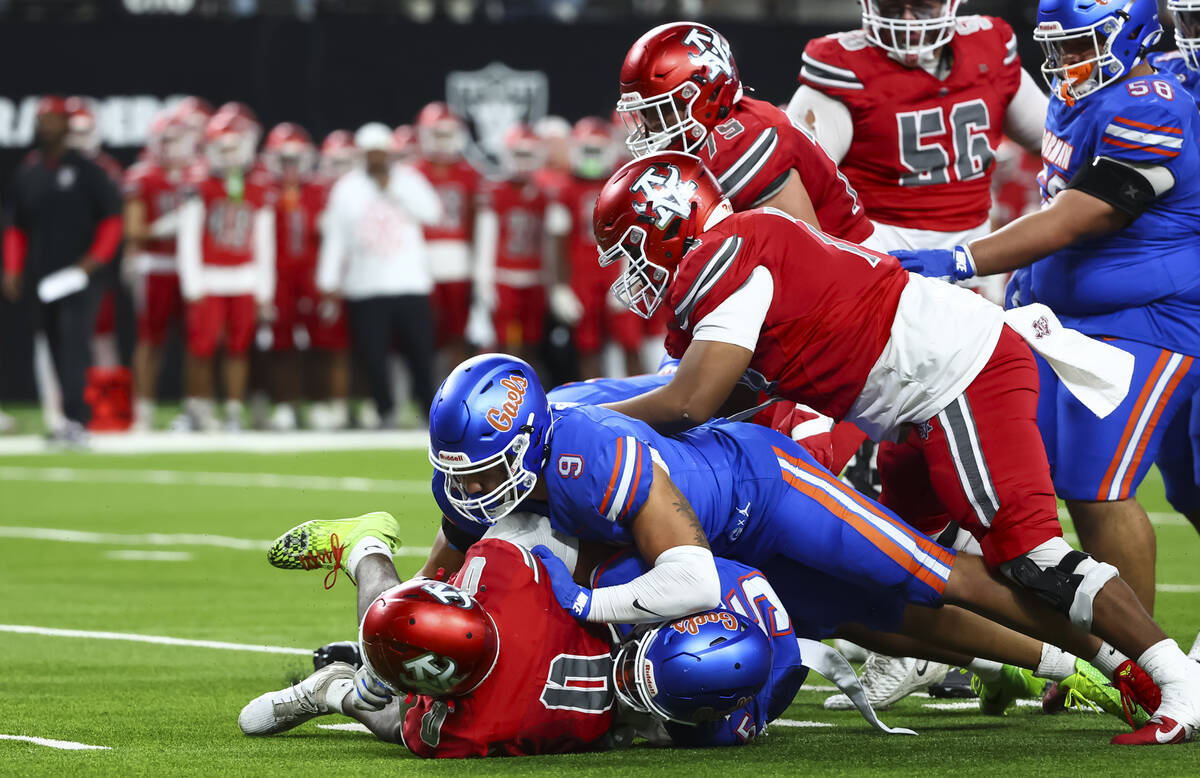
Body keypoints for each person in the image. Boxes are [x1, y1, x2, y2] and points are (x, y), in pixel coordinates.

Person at [592, 152, 1199, 744]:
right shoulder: (750, 242)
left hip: (958, 376)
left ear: (667, 224)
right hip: (920, 402)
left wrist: (586, 419)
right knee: (905, 568)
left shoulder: (729, 255)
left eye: (628, 250)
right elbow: (716, 398)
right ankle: (1075, 666)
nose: (626, 273)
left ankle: (1177, 681)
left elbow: (689, 403)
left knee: (1031, 555)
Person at [895, 0, 1200, 640]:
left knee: (1099, 487)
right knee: (1036, 479)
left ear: (1132, 33)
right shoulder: (1088, 94)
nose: (1066, 61)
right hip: (1066, 319)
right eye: (1057, 46)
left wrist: (959, 257)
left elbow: (1085, 213)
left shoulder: (1152, 100)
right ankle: (1087, 644)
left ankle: (1138, 658)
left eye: (1082, 44)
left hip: (1146, 319)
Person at [786, 0, 1047, 305]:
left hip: (977, 258)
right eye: (893, 8)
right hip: (882, 258)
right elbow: (790, 188)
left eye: (922, 7)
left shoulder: (988, 51)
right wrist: (833, 265)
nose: (907, 21)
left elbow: (1056, 144)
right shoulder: (843, 70)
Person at [618, 22, 875, 248]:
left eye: (663, 110)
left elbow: (805, 256)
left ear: (706, 95)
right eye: (646, 113)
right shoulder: (719, 133)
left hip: (847, 272)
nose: (652, 126)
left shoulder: (742, 142)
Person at [2, 96, 123, 444]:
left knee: (74, 342)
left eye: (53, 119)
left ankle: (78, 419)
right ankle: (64, 417)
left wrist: (94, 260)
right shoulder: (30, 171)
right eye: (42, 120)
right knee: (53, 344)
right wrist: (12, 268)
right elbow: (16, 226)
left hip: (79, 275)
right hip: (43, 276)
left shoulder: (89, 171)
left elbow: (112, 220)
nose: (46, 126)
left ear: (67, 125)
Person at [317, 122, 442, 428]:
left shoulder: (409, 180)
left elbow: (433, 213)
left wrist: (393, 188)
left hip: (410, 282)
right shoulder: (347, 187)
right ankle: (385, 411)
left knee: (420, 354)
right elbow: (336, 237)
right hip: (366, 286)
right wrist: (328, 280)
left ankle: (429, 413)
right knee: (373, 356)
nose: (375, 160)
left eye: (380, 153)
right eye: (370, 154)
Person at [176, 111, 275, 432]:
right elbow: (188, 237)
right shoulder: (199, 185)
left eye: (236, 147)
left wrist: (264, 290)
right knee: (201, 348)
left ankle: (233, 410)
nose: (230, 155)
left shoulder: (258, 186)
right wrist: (192, 283)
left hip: (244, 276)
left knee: (238, 348)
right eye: (224, 147)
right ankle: (197, 407)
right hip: (209, 276)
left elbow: (265, 241)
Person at [261, 122, 349, 432]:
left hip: (314, 278)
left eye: (295, 158)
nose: (290, 166)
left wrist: (331, 283)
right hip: (277, 278)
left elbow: (336, 241)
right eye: (283, 159)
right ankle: (284, 403)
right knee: (280, 343)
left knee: (322, 342)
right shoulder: (263, 189)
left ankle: (321, 402)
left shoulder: (322, 191)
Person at [546, 117, 644, 380]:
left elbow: (638, 233)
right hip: (582, 275)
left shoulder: (625, 181)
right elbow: (557, 239)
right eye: (587, 150)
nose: (591, 158)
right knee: (587, 347)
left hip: (617, 269)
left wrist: (630, 276)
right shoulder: (566, 189)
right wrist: (559, 286)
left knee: (630, 343)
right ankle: (592, 407)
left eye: (596, 150)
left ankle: (646, 404)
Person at [124, 108, 195, 431]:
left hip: (193, 267)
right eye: (165, 141)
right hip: (156, 266)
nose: (171, 148)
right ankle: (144, 411)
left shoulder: (199, 174)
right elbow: (134, 229)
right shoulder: (143, 176)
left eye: (177, 140)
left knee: (196, 342)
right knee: (150, 340)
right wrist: (165, 228)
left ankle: (195, 408)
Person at [470, 124, 550, 365]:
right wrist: (483, 279)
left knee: (533, 341)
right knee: (505, 343)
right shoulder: (495, 190)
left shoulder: (546, 192)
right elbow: (486, 238)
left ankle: (529, 390)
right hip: (504, 275)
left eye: (528, 155)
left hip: (535, 276)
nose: (523, 162)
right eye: (518, 154)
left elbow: (550, 243)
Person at [414, 102, 482, 374]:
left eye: (447, 135)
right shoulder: (412, 172)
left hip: (459, 262)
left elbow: (478, 225)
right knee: (423, 333)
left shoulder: (471, 173)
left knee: (457, 332)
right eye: (437, 135)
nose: (443, 143)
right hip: (421, 262)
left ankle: (454, 389)